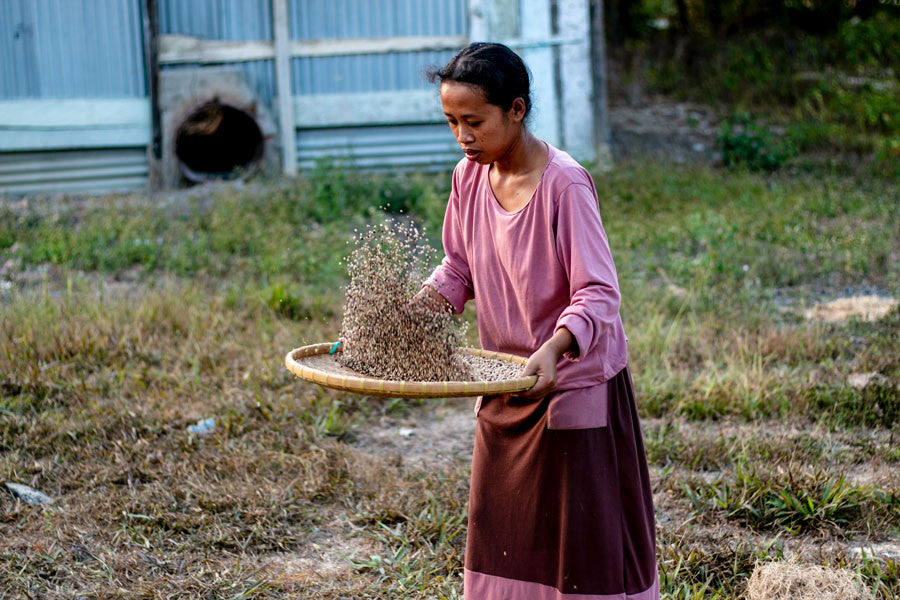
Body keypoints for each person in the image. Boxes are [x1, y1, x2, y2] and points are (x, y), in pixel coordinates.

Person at [417, 42, 659, 599]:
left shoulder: (564, 185)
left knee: (580, 550)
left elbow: (598, 293)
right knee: (507, 535)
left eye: (474, 121)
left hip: (567, 387)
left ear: (517, 110)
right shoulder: (467, 177)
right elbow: (458, 265)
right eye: (452, 122)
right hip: (503, 383)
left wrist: (554, 349)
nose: (462, 136)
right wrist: (414, 312)